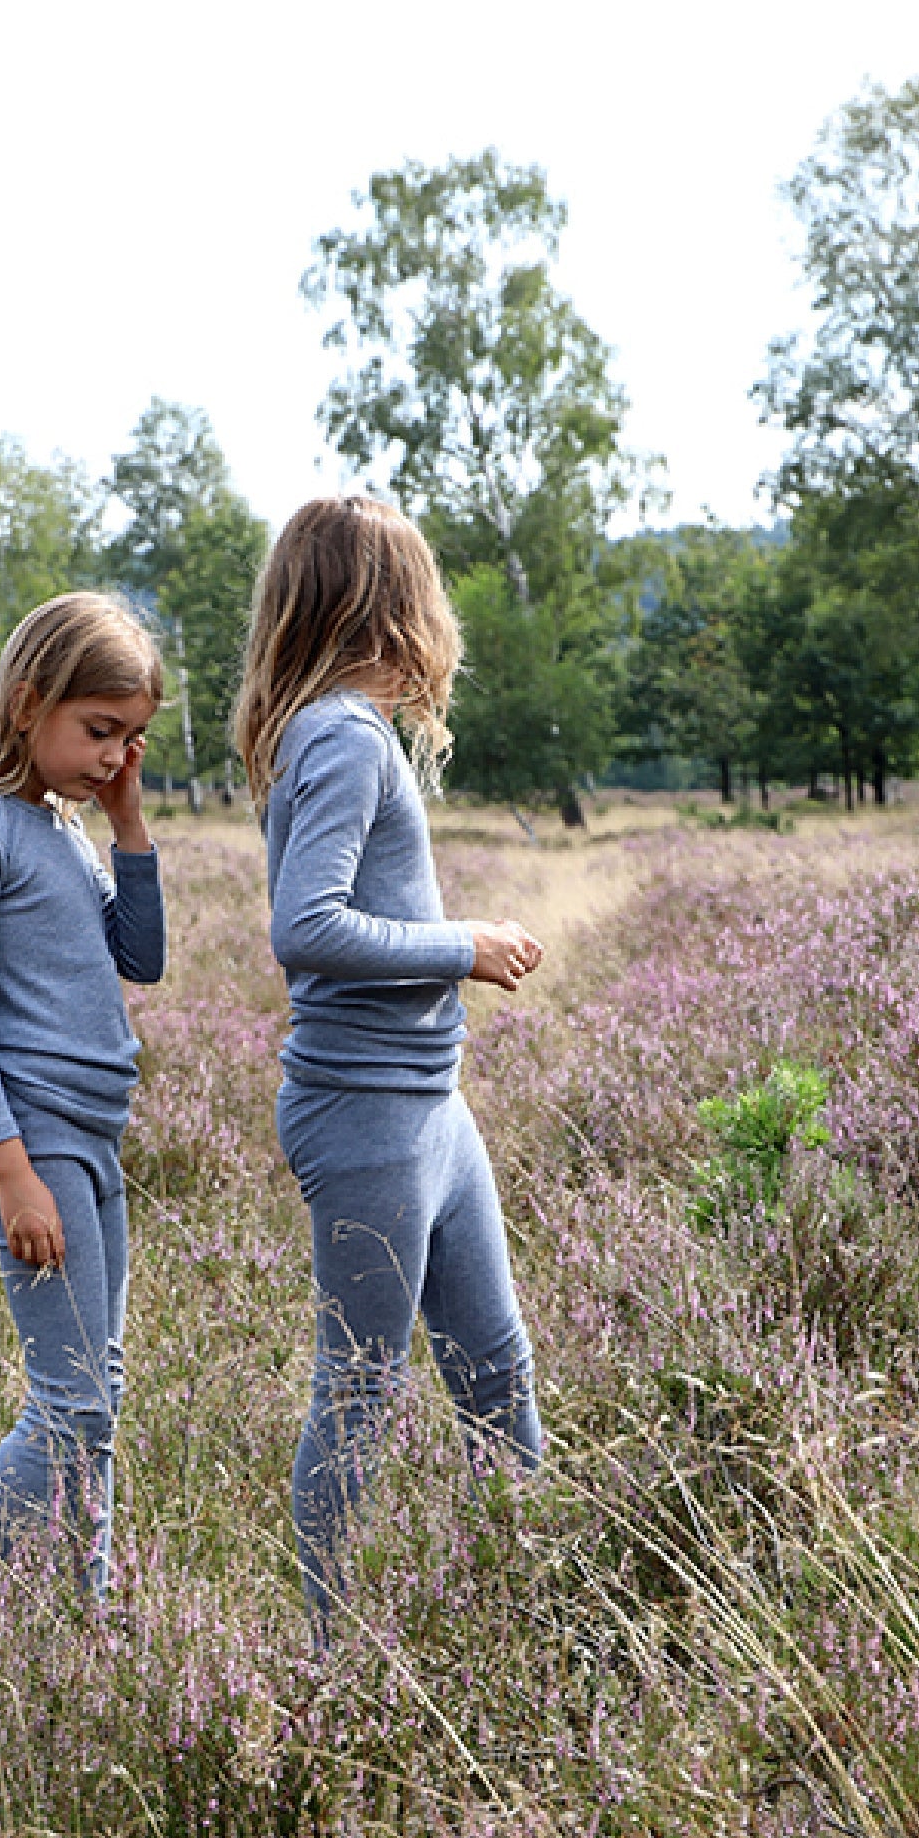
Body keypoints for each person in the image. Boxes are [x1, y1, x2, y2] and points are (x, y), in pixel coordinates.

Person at [233, 495, 544, 1638]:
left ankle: (522, 1613)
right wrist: (465, 944)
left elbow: (353, 910)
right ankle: (332, 1657)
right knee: (361, 1392)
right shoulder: (341, 736)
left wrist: (452, 940)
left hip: (429, 1104)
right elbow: (304, 924)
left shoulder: (337, 731)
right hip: (364, 1112)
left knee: (495, 1369)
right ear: (387, 603)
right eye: (424, 590)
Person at [0, 591, 165, 1597]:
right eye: (98, 728)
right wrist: (10, 1171)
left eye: (131, 736)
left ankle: (85, 1620)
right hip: (32, 1142)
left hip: (93, 1143)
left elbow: (139, 958)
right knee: (71, 1405)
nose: (113, 754)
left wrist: (128, 823)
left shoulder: (64, 830)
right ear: (28, 702)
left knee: (97, 1398)